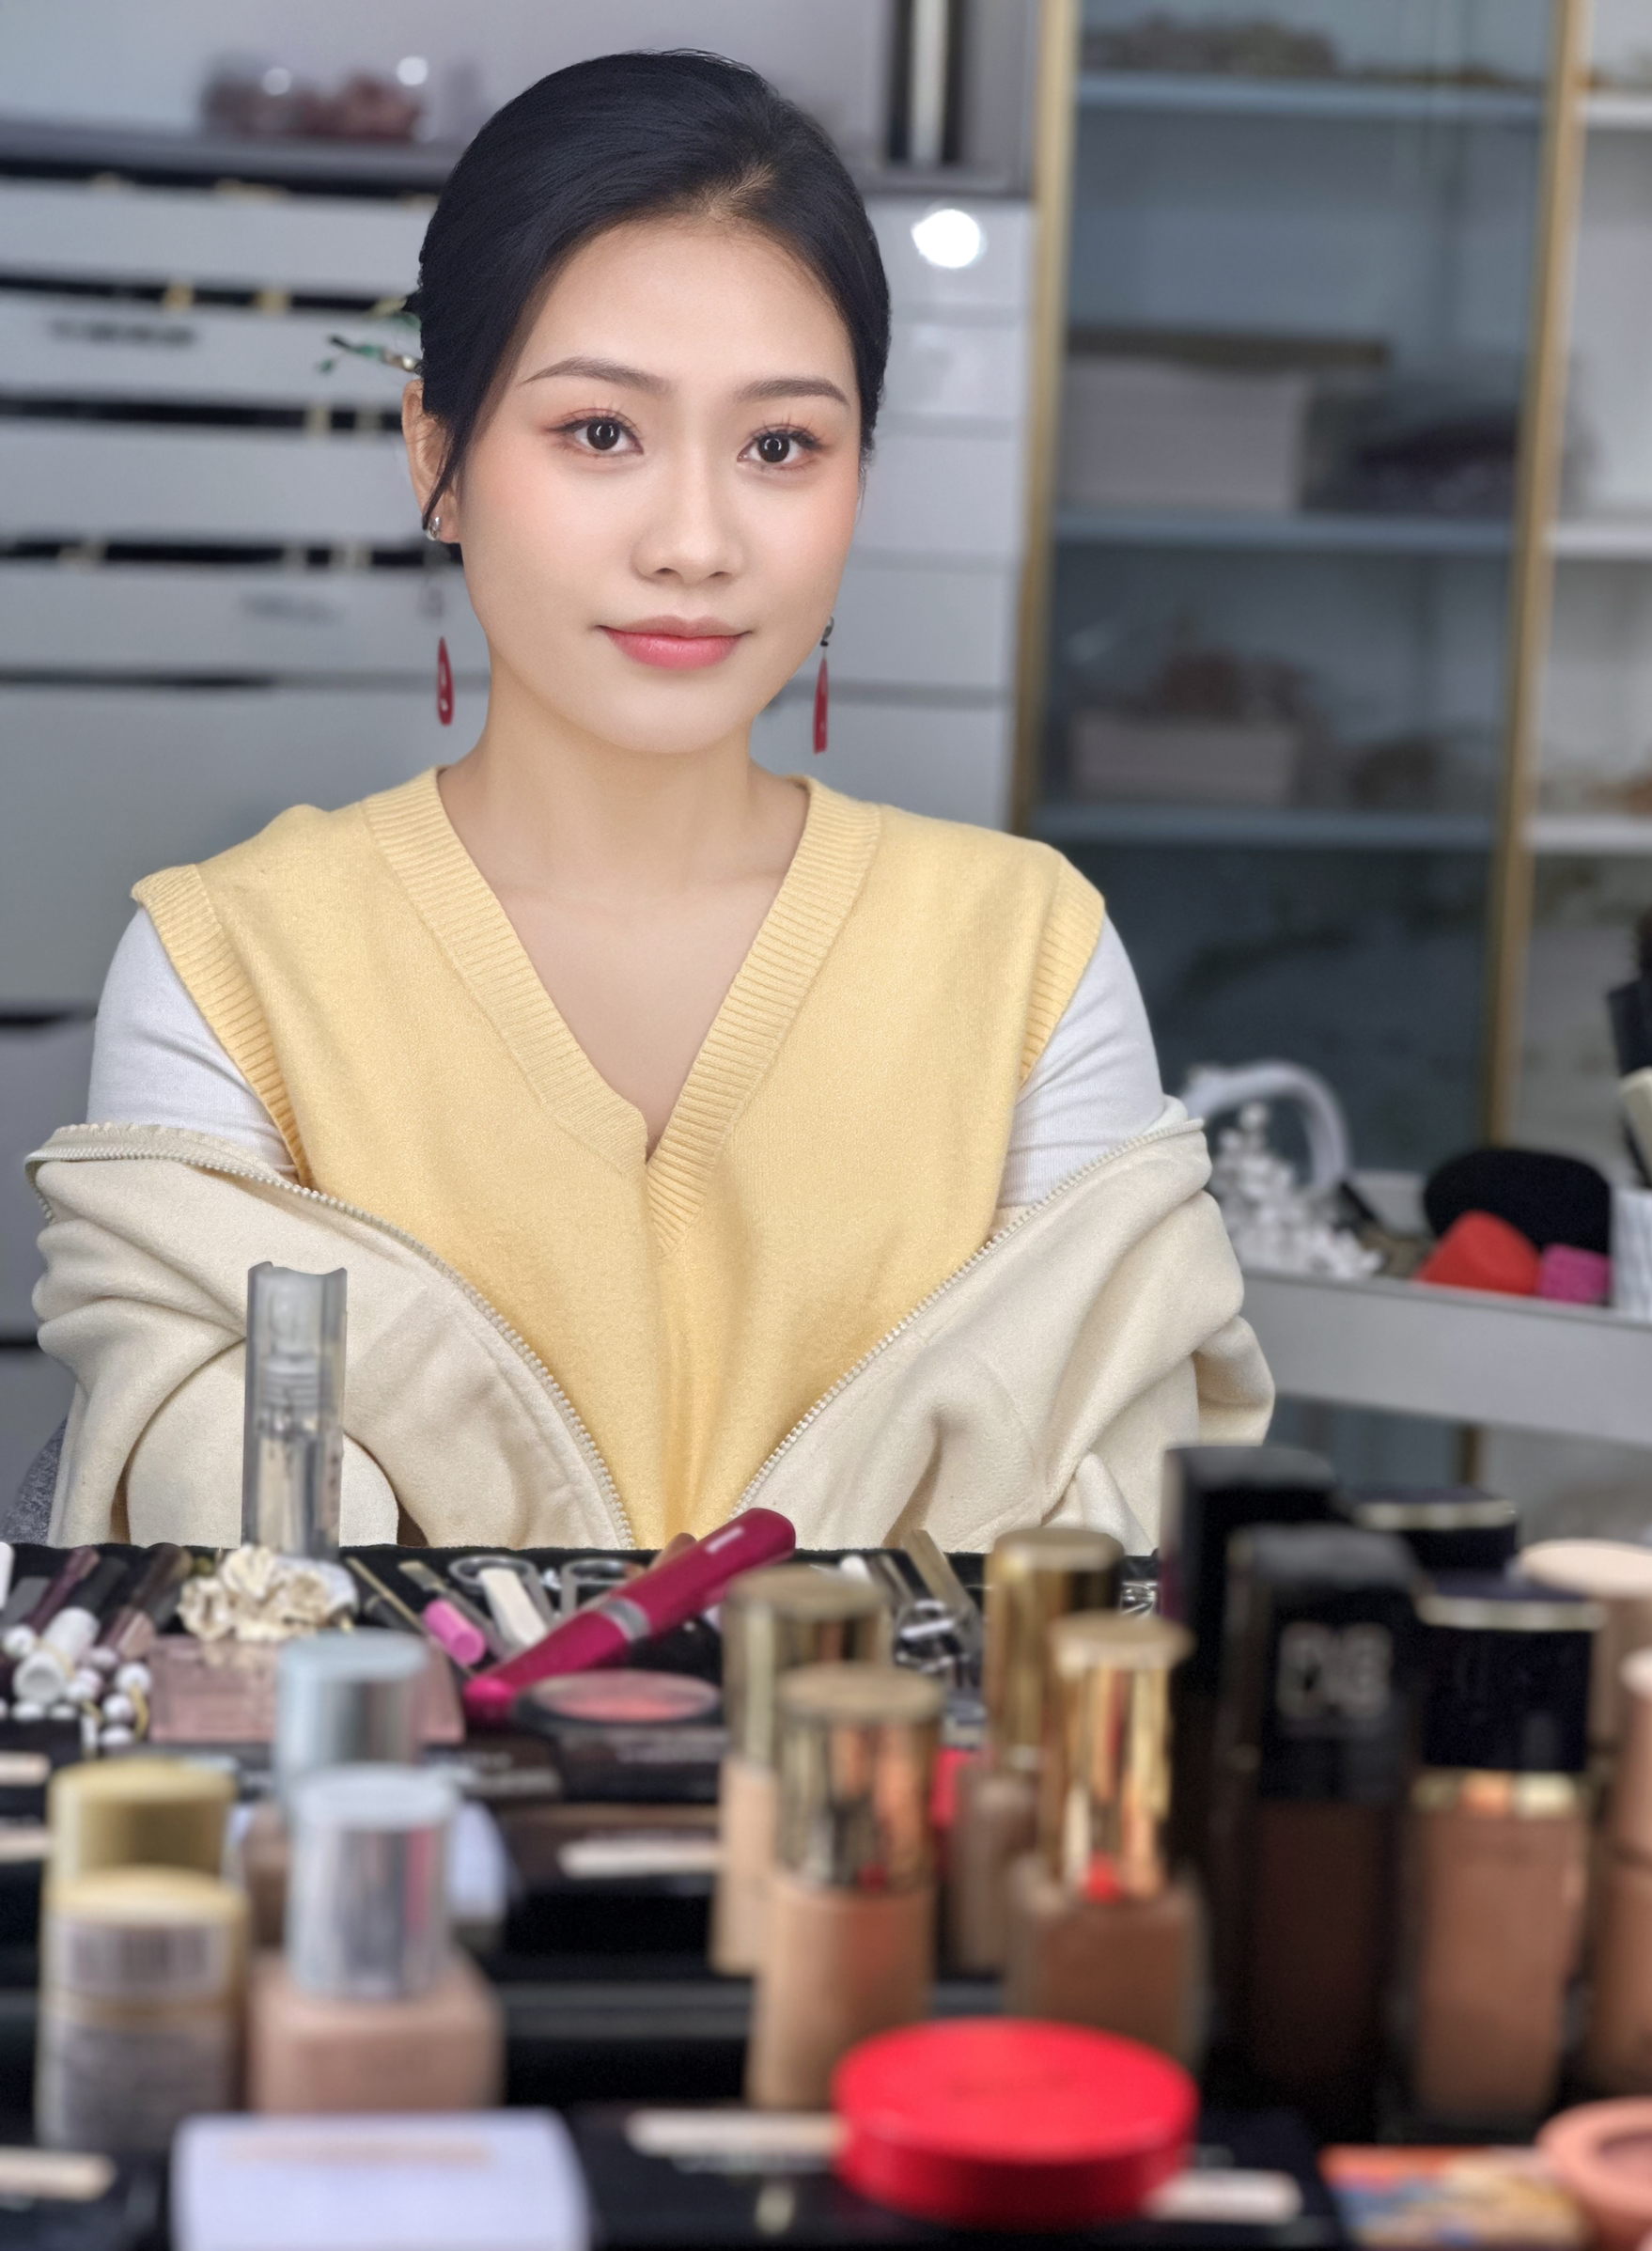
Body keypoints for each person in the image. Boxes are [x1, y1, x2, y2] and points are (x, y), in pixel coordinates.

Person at [32, 51, 1269, 1554]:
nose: (695, 540)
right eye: (600, 432)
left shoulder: (1026, 959)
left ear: (859, 477)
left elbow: (1095, 1563)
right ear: (436, 454)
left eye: (779, 447)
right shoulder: (229, 968)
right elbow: (244, 1578)